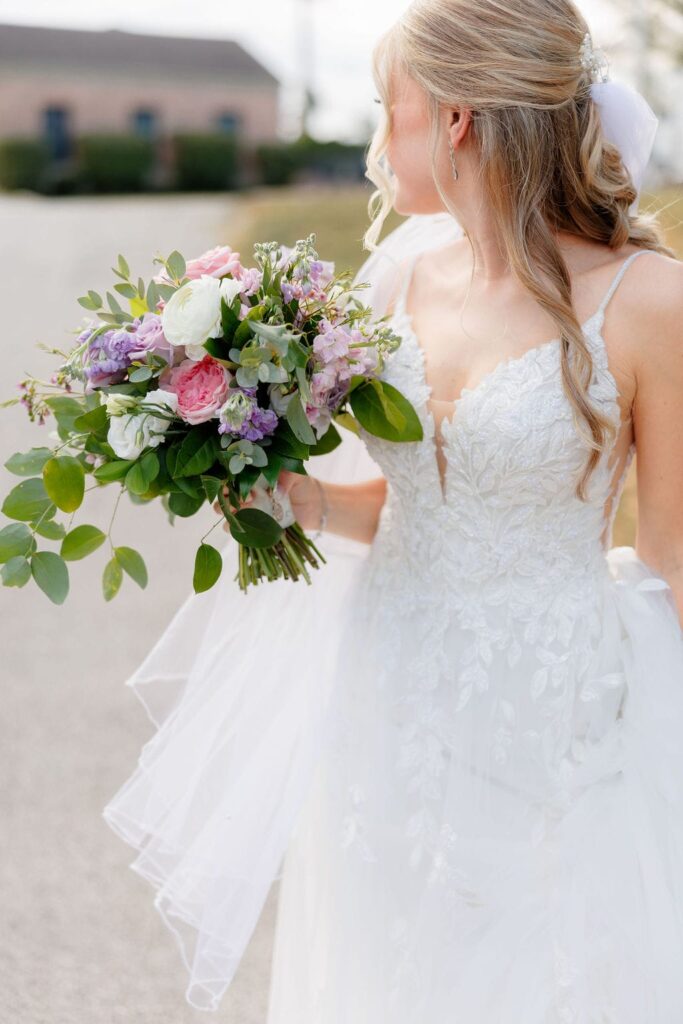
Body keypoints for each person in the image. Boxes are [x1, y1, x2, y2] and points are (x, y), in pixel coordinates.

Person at [102, 1, 683, 1019]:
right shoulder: (399, 274)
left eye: (388, 109)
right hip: (386, 680)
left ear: (455, 119)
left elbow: (675, 559)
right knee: (387, 964)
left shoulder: (648, 302)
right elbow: (425, 507)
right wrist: (288, 489)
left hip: (552, 712)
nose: (376, 142)